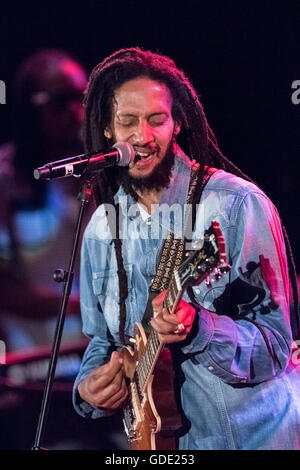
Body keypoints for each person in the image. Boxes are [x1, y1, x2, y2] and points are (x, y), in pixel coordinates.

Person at [73, 47, 300, 450]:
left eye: (156, 120)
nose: (142, 136)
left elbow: (276, 348)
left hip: (254, 437)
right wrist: (89, 388)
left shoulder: (236, 205)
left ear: (177, 122)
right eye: (127, 122)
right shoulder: (99, 229)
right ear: (106, 129)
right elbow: (101, 339)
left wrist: (199, 329)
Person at [0, 49, 89, 351]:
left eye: (81, 98)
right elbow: (3, 287)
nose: (75, 111)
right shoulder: (4, 180)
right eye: (60, 101)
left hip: (105, 360)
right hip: (34, 364)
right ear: (30, 109)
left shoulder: (105, 172)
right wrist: (81, 306)